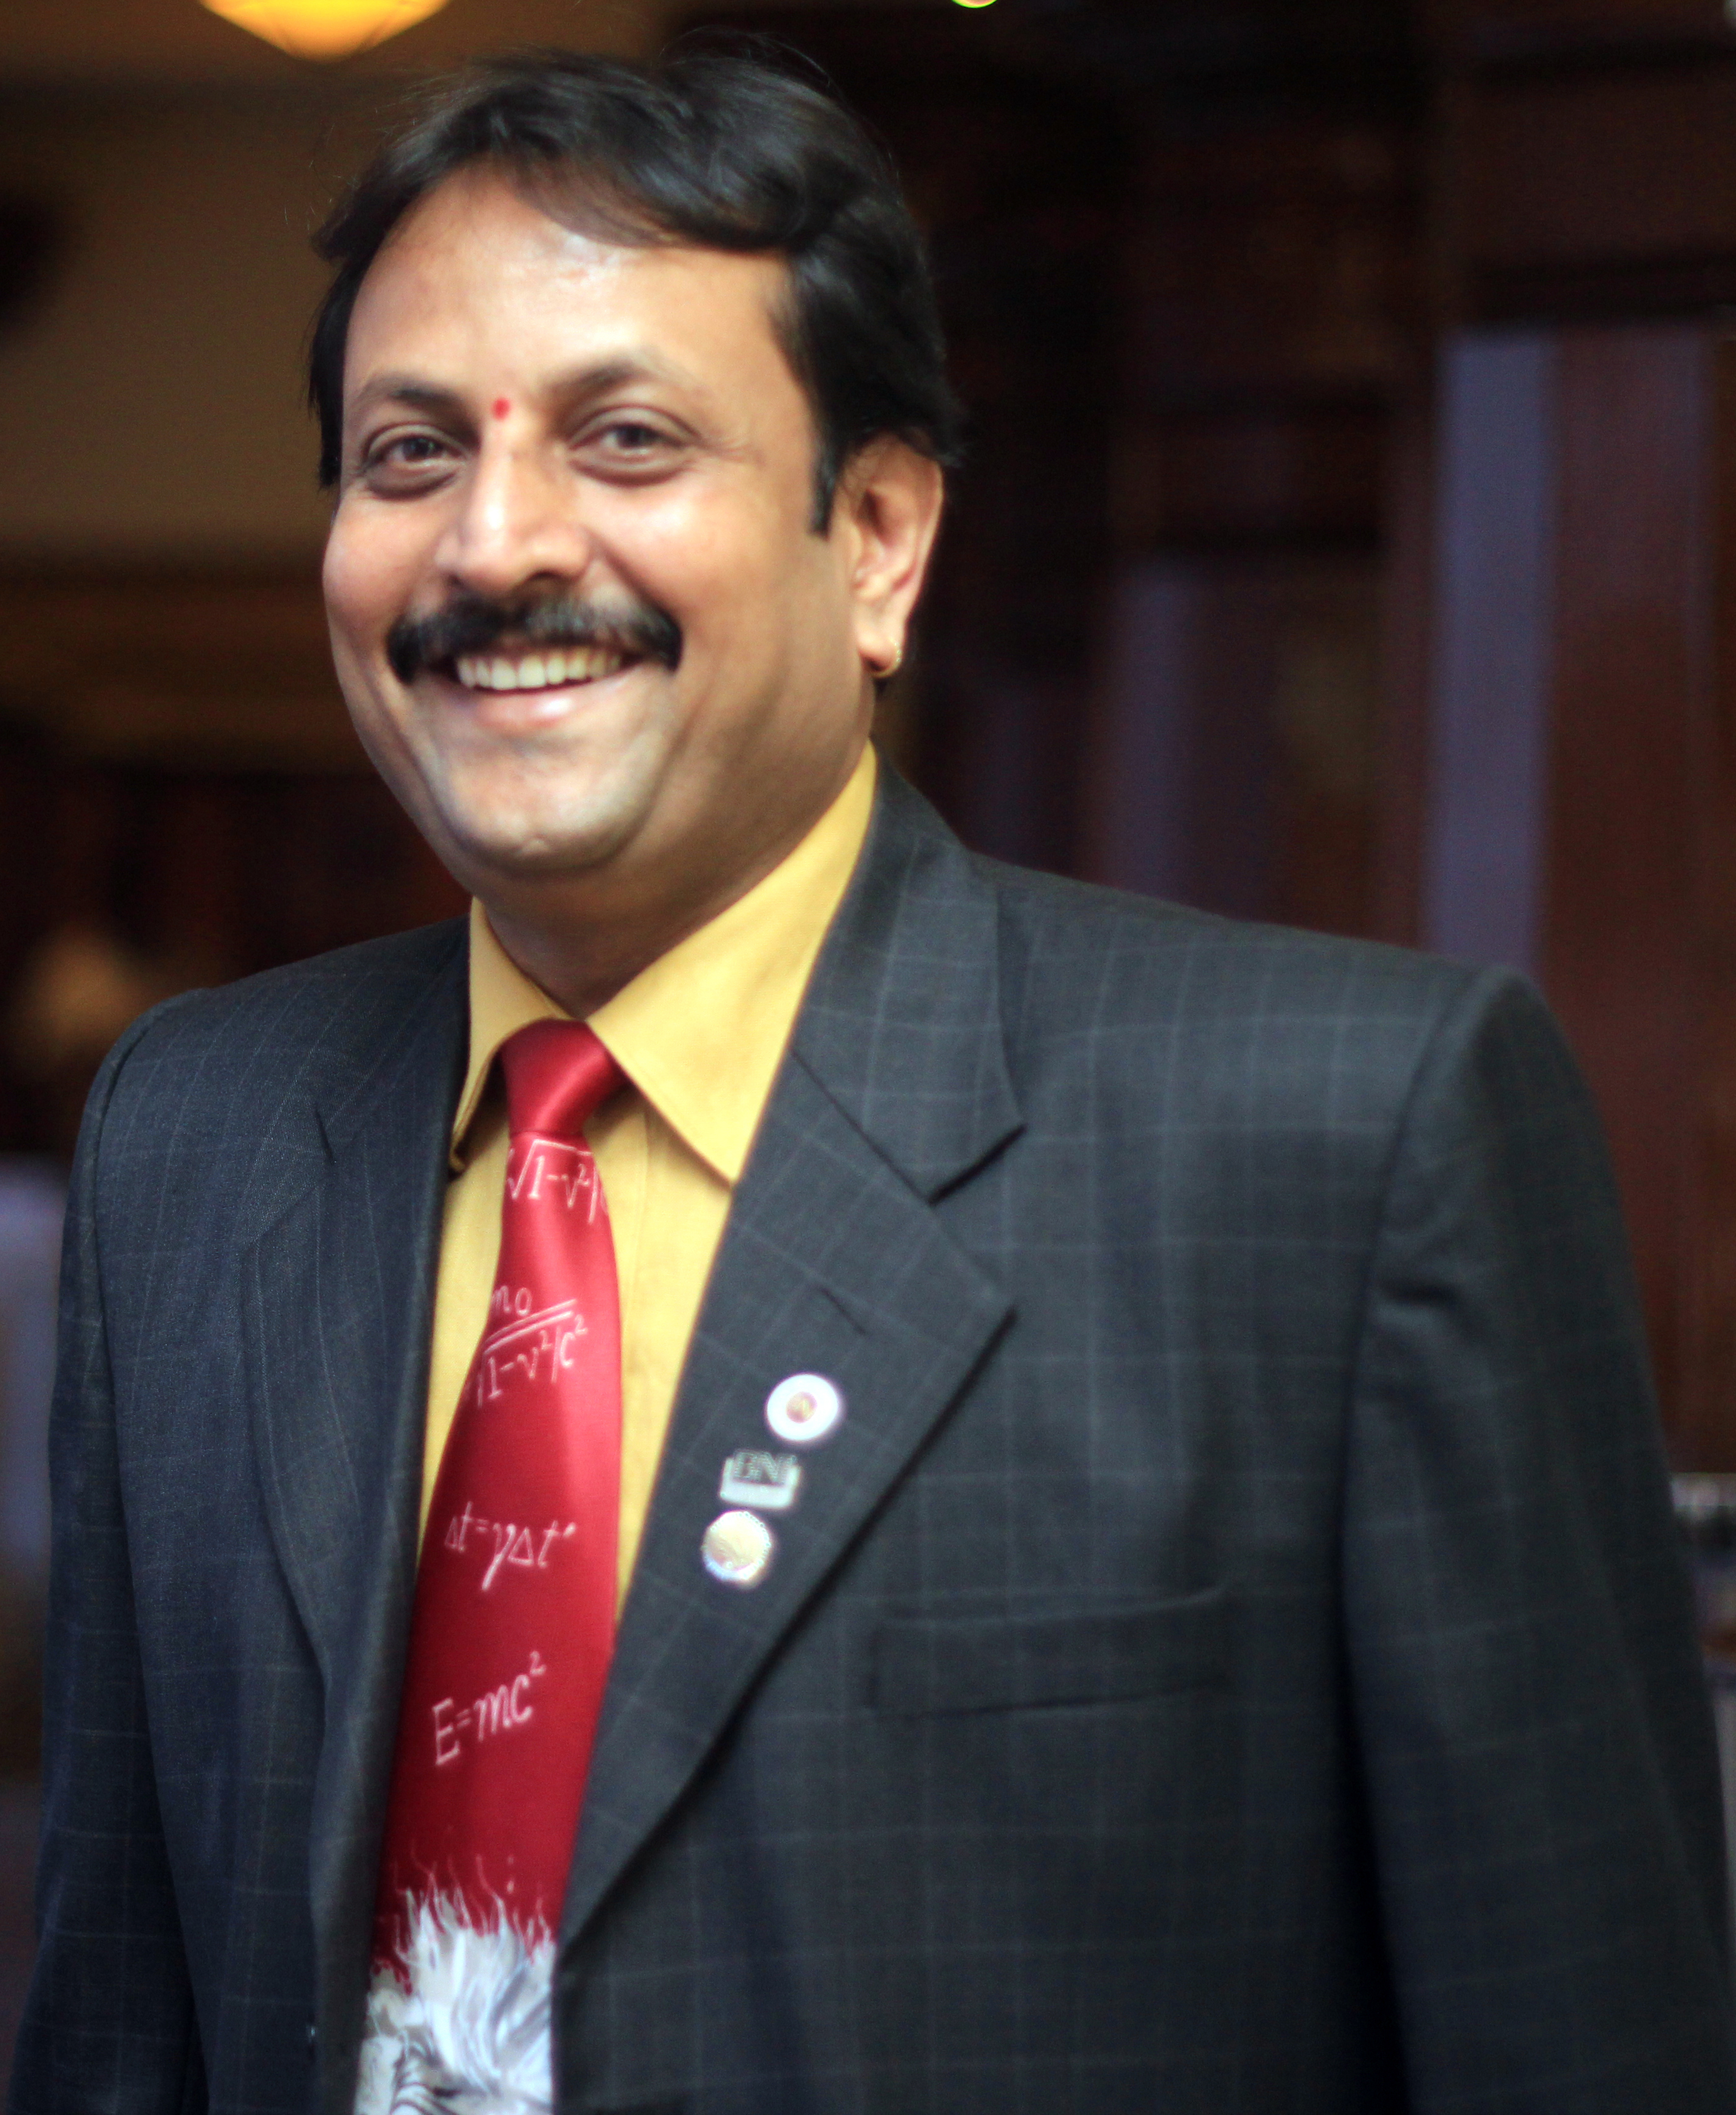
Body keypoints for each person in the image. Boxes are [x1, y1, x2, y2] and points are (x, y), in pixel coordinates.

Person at [10, 44, 1735, 2115]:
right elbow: (116, 2025)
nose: (492, 541)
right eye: (406, 454)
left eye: (627, 437)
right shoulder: (196, 1136)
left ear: (884, 539)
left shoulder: (1343, 1145)